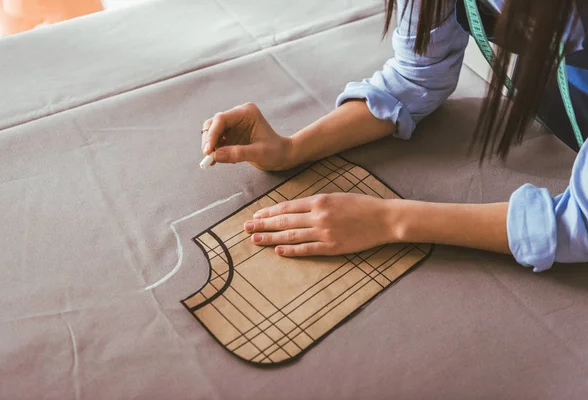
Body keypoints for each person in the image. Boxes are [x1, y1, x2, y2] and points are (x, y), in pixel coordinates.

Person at [200, 0, 588, 272]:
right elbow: (417, 76)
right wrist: (292, 148)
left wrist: (390, 219)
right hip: (558, 98)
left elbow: (578, 225)